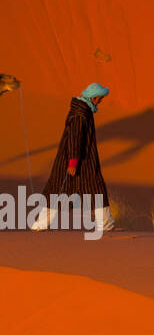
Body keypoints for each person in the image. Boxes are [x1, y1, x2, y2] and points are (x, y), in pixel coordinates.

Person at [32, 83, 114, 232]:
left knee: (96, 189)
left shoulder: (84, 111)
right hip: (73, 161)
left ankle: (106, 224)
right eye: (100, 98)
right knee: (57, 190)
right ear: (94, 98)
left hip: (84, 161)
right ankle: (40, 225)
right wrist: (73, 163)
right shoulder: (79, 114)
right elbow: (75, 139)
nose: (101, 101)